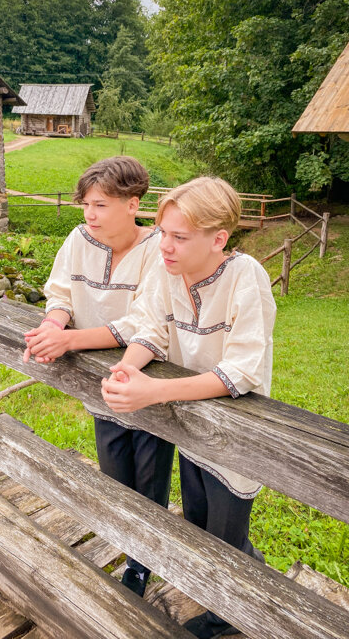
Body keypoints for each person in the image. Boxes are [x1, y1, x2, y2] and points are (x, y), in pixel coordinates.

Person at [101, 176, 276, 638]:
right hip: (191, 426)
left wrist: (153, 393)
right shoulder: (167, 270)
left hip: (234, 433)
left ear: (218, 238)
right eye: (162, 233)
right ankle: (244, 592)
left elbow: (242, 370)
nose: (166, 245)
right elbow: (152, 329)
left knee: (226, 530)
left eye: (180, 236)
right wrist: (127, 369)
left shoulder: (246, 277)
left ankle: (228, 619)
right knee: (199, 520)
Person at [23, 156, 175, 597]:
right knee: (115, 472)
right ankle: (128, 544)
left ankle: (142, 563)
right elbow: (61, 291)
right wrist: (53, 324)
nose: (90, 215)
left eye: (101, 205)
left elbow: (146, 322)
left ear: (133, 203)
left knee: (150, 476)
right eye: (86, 204)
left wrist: (71, 341)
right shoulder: (78, 238)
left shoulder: (158, 249)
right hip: (101, 382)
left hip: (146, 375)